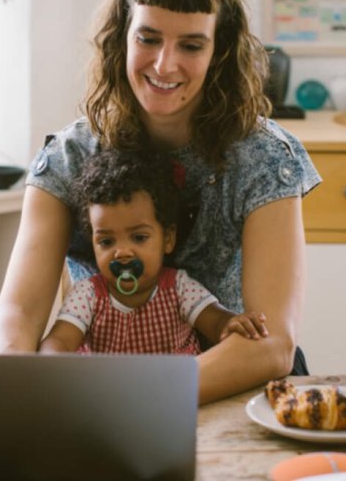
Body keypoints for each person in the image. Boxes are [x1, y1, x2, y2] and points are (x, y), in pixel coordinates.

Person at [0, 0, 321, 404]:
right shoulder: (69, 157)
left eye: (191, 44)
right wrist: (17, 387)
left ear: (218, 52)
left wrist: (138, 397)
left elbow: (272, 346)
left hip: (236, 390)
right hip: (96, 397)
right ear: (122, 36)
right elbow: (17, 316)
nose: (165, 64)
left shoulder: (264, 158)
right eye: (148, 38)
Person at [39, 147, 269, 354]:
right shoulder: (88, 295)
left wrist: (230, 324)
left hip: (177, 394)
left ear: (168, 239)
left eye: (139, 237)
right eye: (107, 242)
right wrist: (51, 357)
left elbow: (216, 320)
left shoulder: (178, 288)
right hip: (110, 397)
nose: (122, 252)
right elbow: (59, 340)